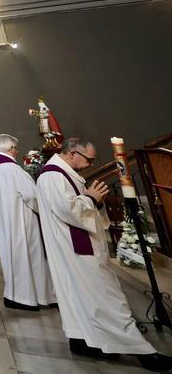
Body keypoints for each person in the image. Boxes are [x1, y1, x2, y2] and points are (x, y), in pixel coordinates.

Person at [37, 139, 172, 369]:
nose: (91, 164)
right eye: (89, 159)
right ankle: (142, 351)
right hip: (77, 250)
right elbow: (66, 209)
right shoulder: (53, 175)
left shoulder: (63, 172)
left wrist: (94, 200)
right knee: (108, 299)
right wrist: (91, 198)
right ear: (71, 153)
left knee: (83, 297)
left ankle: (82, 340)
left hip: (77, 247)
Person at [0, 134, 56, 311]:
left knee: (13, 256)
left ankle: (15, 295)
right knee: (30, 256)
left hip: (5, 219)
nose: (16, 152)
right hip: (22, 220)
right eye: (15, 148)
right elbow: (31, 195)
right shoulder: (12, 169)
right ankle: (32, 297)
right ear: (10, 149)